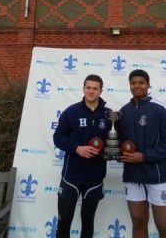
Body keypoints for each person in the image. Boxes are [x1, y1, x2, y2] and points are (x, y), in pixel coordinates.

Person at [117, 69, 166, 238]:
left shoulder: (160, 109)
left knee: (165, 229)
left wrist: (144, 156)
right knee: (137, 223)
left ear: (148, 85)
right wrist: (116, 153)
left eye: (141, 83)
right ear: (129, 85)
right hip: (132, 175)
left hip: (157, 176)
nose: (137, 86)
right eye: (133, 83)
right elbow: (120, 143)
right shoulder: (123, 112)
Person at [53, 74, 112, 238]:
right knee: (64, 221)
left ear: (101, 91)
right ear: (83, 88)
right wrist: (77, 148)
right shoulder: (71, 111)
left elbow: (115, 141)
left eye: (95, 88)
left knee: (88, 222)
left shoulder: (109, 115)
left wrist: (111, 151)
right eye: (88, 87)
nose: (91, 91)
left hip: (95, 178)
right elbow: (58, 137)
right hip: (70, 177)